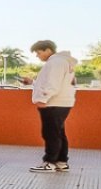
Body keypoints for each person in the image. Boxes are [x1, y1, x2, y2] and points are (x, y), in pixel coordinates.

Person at [29, 39, 76, 172]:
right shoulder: (62, 62)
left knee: (51, 133)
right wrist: (33, 83)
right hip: (61, 102)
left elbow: (53, 84)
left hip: (53, 103)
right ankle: (61, 162)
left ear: (48, 50)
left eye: (38, 53)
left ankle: (50, 162)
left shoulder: (56, 62)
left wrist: (43, 99)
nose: (37, 56)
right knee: (58, 132)